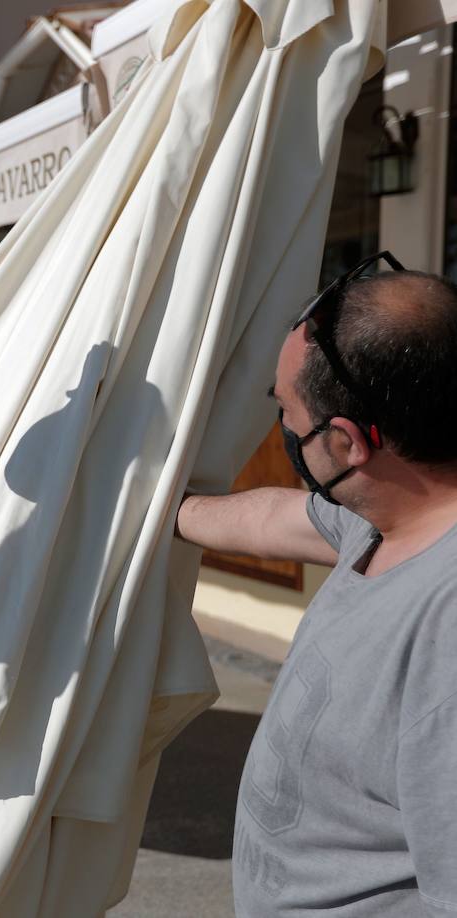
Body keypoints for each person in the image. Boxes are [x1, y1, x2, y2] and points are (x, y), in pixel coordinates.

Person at [175, 255, 457, 914]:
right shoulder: (380, 519)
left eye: (287, 414)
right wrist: (154, 512)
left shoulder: (446, 629)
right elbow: (274, 517)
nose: (284, 432)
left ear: (347, 444)